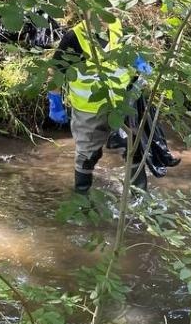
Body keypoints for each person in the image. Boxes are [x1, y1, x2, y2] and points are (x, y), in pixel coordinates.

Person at [47, 17, 150, 193]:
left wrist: (138, 60)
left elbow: (128, 53)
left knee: (133, 148)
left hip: (122, 106)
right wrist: (54, 101)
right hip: (88, 111)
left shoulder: (119, 27)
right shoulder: (75, 37)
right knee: (87, 156)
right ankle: (82, 197)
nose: (101, 16)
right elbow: (55, 70)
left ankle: (139, 196)